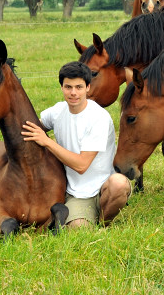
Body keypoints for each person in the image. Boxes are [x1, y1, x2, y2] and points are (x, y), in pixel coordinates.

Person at [21, 61, 131, 229]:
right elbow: (34, 128)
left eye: (79, 87)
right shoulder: (57, 112)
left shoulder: (98, 118)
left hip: (103, 187)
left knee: (120, 184)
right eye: (68, 87)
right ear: (61, 87)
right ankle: (83, 217)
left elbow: (81, 165)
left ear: (88, 87)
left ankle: (103, 223)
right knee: (78, 228)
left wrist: (47, 141)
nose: (73, 93)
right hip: (76, 191)